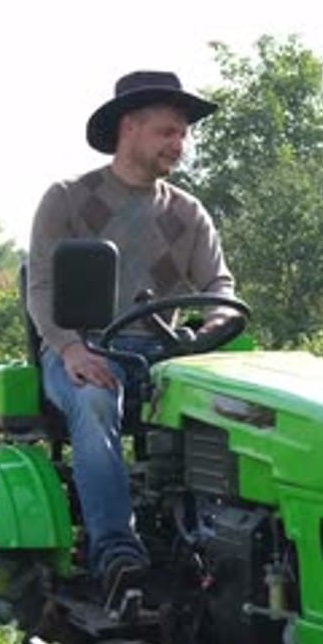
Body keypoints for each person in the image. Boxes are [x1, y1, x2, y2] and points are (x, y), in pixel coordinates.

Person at [27, 69, 235, 602]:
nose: (179, 144)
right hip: (86, 349)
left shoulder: (187, 213)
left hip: (163, 353)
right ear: (130, 127)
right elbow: (44, 288)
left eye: (183, 134)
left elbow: (219, 284)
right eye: (168, 131)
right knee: (97, 398)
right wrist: (70, 346)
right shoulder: (69, 200)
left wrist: (212, 325)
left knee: (244, 411)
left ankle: (224, 549)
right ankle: (117, 555)